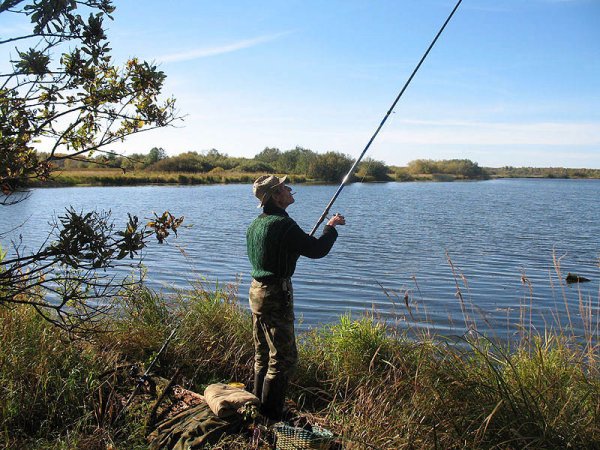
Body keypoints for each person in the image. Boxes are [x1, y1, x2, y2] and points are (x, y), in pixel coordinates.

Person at [246, 174, 345, 420]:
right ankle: (270, 415)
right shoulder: (282, 224)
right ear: (276, 196)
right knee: (283, 358)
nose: (290, 188)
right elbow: (317, 249)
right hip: (274, 295)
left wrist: (289, 254)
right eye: (283, 187)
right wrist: (330, 228)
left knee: (262, 353)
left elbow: (275, 253)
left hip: (256, 291)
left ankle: (257, 407)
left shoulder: (256, 224)